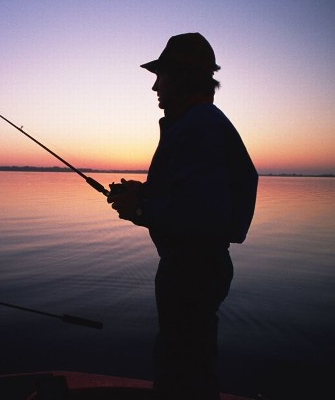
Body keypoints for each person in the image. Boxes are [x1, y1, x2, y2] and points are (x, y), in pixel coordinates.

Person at [107, 33, 258, 400]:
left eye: (162, 76)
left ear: (183, 78)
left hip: (192, 268)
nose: (155, 86)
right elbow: (193, 194)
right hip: (194, 267)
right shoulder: (196, 124)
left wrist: (140, 209)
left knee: (182, 367)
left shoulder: (199, 127)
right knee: (188, 359)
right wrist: (142, 194)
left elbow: (203, 214)